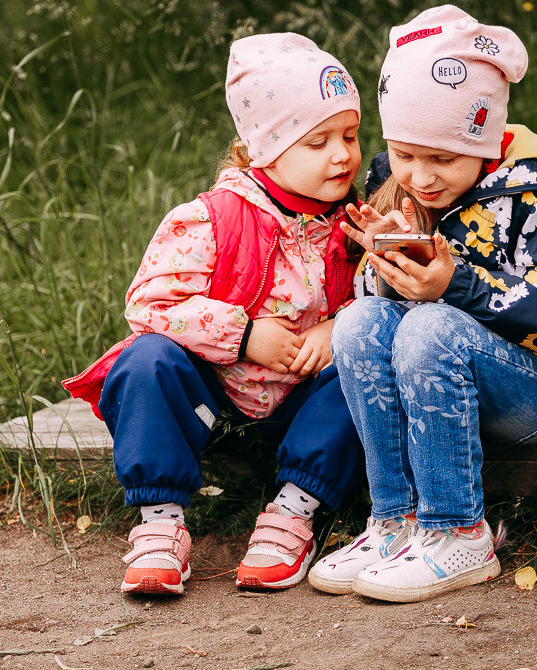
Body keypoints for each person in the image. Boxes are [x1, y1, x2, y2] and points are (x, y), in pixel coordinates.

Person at [307, 4, 537, 603]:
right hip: (451, 379)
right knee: (359, 320)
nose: (420, 177)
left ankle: (458, 532)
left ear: (481, 138)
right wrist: (388, 271)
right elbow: (388, 321)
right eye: (403, 154)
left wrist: (455, 286)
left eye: (442, 159)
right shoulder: (401, 184)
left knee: (432, 329)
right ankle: (394, 522)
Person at [64, 33, 366, 595]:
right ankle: (159, 524)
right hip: (217, 392)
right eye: (317, 141)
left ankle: (294, 510)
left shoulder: (358, 221)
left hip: (303, 398)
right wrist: (244, 335)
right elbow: (150, 304)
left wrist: (338, 325)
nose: (342, 154)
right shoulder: (211, 219)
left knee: (363, 365)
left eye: (348, 135)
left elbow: (381, 296)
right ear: (262, 151)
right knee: (145, 360)